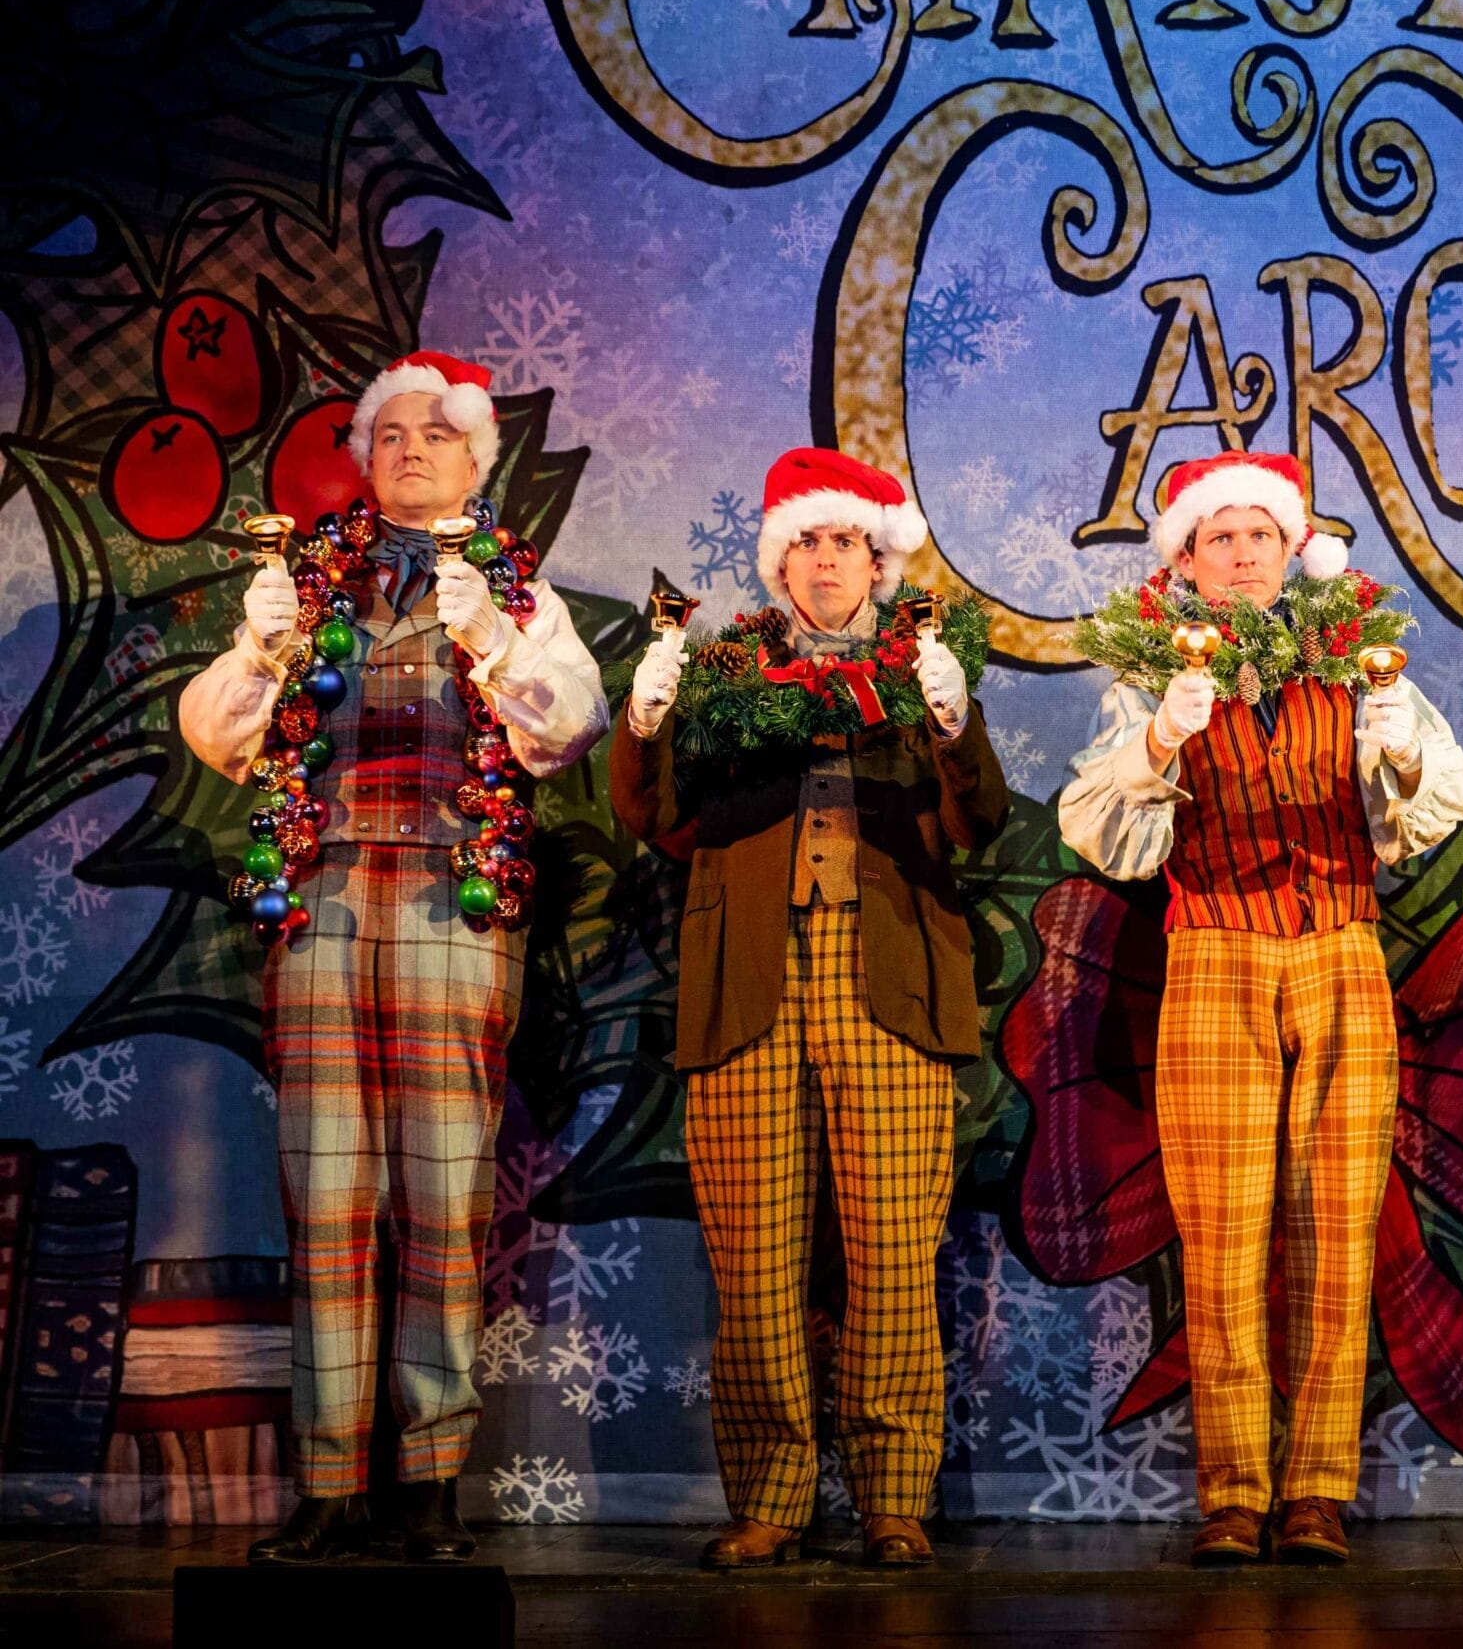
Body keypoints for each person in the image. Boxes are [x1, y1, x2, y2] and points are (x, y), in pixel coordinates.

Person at [179, 350, 608, 1563]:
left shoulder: (519, 595)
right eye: (391, 434)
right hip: (321, 897)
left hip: (451, 905)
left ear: (478, 460)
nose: (412, 449)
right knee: (325, 1197)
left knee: (443, 1189)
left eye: (439, 433)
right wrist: (262, 655)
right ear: (365, 460)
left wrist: (495, 644)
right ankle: (328, 1484)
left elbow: (567, 728)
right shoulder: (305, 586)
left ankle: (425, 1480)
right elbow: (215, 738)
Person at [1059, 451, 1463, 1566]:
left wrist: (1391, 747)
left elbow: (1433, 802)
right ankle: (1234, 1493)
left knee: (1339, 1233)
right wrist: (1159, 739)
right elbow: (1099, 829)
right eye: (1219, 539)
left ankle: (1318, 1493)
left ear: (1294, 552)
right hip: (1212, 953)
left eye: (1261, 537)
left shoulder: (1351, 662)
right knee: (1224, 1236)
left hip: (1340, 946)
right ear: (1186, 562)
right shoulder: (1154, 674)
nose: (1243, 556)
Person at [612, 447, 1008, 1570]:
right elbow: (659, 816)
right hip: (750, 986)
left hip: (891, 986)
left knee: (891, 1256)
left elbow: (981, 820)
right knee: (756, 1264)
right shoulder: (729, 667)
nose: (825, 561)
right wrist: (643, 725)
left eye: (845, 542)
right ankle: (773, 1496)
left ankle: (893, 1496)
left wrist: (948, 723)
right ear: (778, 560)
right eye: (806, 542)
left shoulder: (921, 662)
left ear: (877, 563)